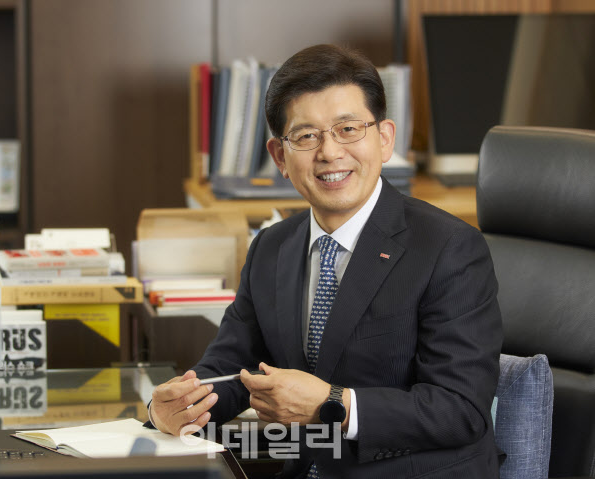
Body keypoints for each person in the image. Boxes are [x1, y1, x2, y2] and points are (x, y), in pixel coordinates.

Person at [147, 44, 504, 478]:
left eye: (348, 129)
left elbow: (461, 410)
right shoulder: (271, 247)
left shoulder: (449, 248)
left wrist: (333, 404)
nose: (330, 152)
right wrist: (179, 406)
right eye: (306, 136)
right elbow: (232, 370)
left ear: (385, 138)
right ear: (280, 157)